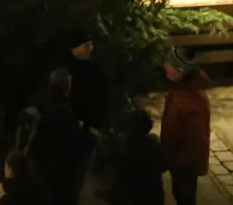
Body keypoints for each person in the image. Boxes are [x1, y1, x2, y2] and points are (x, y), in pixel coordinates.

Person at [26, 69, 83, 205]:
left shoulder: (37, 101)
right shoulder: (65, 113)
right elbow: (70, 145)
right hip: (56, 171)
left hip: (35, 164)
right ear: (67, 87)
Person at [88, 109, 165, 205]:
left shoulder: (124, 146)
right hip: (152, 196)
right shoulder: (154, 144)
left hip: (131, 197)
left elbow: (115, 168)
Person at [159, 62, 210, 205]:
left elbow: (192, 131)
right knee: (182, 193)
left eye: (168, 66)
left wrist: (172, 152)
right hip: (184, 153)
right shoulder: (185, 92)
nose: (165, 69)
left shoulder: (185, 96)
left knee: (184, 195)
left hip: (184, 155)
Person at [66, 32, 110, 136]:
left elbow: (103, 96)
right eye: (86, 45)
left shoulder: (96, 69)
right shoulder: (64, 68)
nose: (91, 48)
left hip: (90, 128)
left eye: (91, 44)